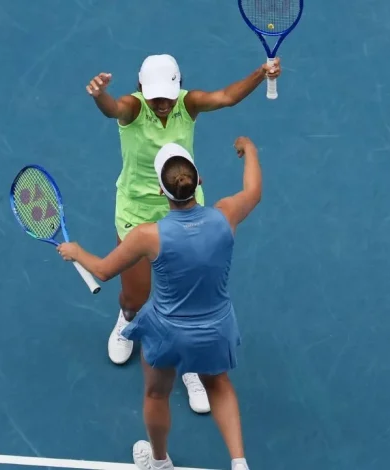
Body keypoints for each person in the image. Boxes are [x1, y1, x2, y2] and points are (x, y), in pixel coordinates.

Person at [86, 54, 280, 413]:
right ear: (141, 88)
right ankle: (126, 319)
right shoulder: (132, 108)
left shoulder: (188, 105)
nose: (162, 104)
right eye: (155, 95)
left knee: (189, 297)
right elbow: (112, 108)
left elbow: (226, 97)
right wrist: (99, 95)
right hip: (136, 213)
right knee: (134, 295)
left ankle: (190, 366)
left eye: (168, 96)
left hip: (184, 206)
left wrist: (260, 72)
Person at [56, 136, 262, 470]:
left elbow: (104, 271)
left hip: (167, 332)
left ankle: (159, 461)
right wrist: (250, 152)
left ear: (160, 192)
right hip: (216, 327)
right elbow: (253, 190)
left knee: (156, 394)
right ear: (199, 182)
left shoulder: (147, 236)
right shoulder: (226, 215)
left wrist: (76, 252)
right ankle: (239, 463)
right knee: (218, 384)